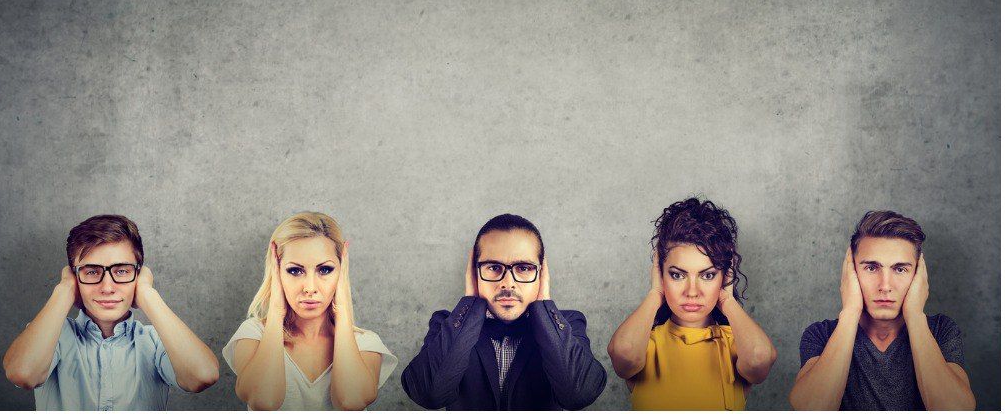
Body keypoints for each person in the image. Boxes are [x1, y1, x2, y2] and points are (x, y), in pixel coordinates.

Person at [2, 214, 219, 410]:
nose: (107, 287)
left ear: (138, 274)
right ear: (74, 277)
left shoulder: (155, 341)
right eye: (92, 271)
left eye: (122, 271)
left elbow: (202, 376)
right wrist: (64, 290)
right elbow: (23, 373)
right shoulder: (53, 335)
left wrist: (148, 294)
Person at [400, 213, 606, 410]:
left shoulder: (568, 323)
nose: (508, 283)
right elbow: (427, 394)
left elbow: (580, 394)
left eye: (524, 268)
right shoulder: (447, 323)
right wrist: (470, 302)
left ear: (541, 274)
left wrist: (544, 304)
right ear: (474, 272)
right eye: (493, 267)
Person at [789, 210, 975, 410]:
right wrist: (851, 311)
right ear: (850, 272)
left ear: (918, 276)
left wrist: (915, 315)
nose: (885, 285)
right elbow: (810, 408)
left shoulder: (940, 330)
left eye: (900, 269)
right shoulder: (821, 334)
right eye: (871, 268)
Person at [607, 198, 776, 410]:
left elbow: (760, 358)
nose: (692, 292)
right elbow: (624, 352)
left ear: (725, 277)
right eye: (677, 275)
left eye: (708, 275)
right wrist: (655, 294)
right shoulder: (646, 345)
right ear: (660, 274)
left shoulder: (736, 345)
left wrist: (727, 300)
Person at [222, 211, 397, 410]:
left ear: (341, 271)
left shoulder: (365, 343)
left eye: (325, 270)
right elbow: (264, 401)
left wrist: (342, 308)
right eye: (295, 271)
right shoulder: (254, 334)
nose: (309, 287)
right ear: (277, 272)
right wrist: (276, 311)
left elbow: (350, 401)